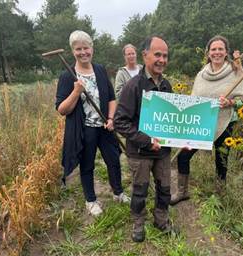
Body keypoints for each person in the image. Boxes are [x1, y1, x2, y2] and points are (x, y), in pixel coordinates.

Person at [55, 30, 130, 217]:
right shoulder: (67, 76)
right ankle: (91, 200)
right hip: (84, 129)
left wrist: (111, 119)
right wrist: (76, 92)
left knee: (113, 161)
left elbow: (112, 99)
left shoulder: (100, 70)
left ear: (92, 48)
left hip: (105, 126)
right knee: (87, 165)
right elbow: (61, 109)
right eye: (78, 49)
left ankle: (118, 192)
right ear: (73, 51)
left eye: (86, 48)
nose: (83, 52)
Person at [170, 35, 243, 206]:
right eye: (213, 49)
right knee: (183, 157)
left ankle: (220, 194)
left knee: (221, 161)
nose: (217, 52)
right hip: (201, 125)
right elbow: (194, 100)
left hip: (224, 123)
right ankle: (182, 192)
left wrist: (230, 102)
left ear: (226, 52)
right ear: (208, 52)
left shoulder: (236, 71)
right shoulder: (201, 75)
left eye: (220, 49)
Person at [114, 36, 177, 242]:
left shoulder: (167, 86)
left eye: (165, 56)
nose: (162, 59)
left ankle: (161, 220)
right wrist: (147, 140)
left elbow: (174, 119)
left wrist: (185, 138)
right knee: (140, 190)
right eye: (157, 54)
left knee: (165, 189)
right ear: (145, 55)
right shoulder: (133, 86)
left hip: (163, 152)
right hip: (140, 153)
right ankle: (138, 223)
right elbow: (120, 122)